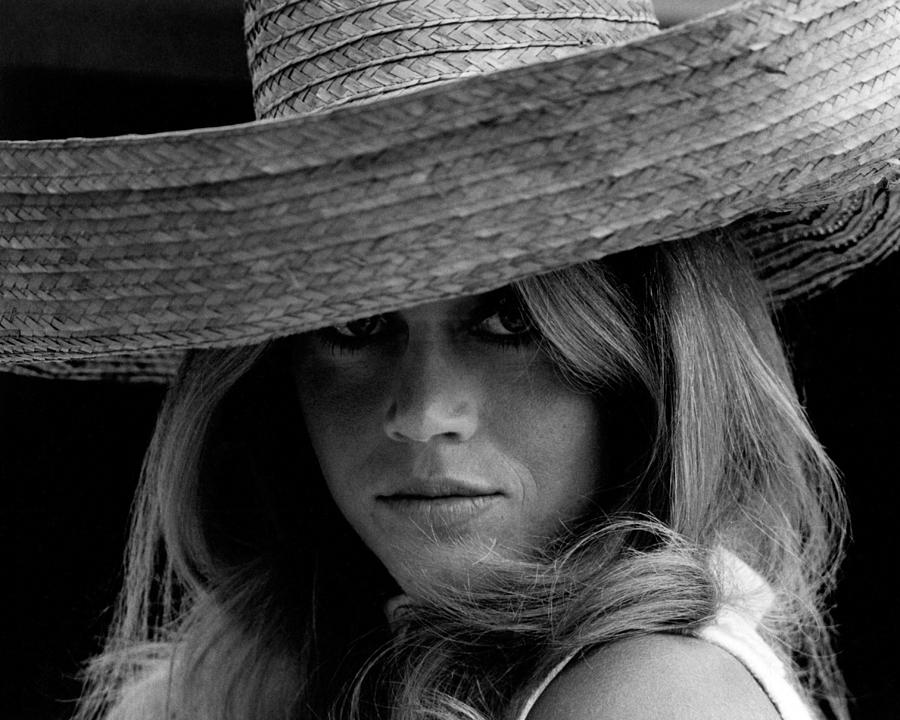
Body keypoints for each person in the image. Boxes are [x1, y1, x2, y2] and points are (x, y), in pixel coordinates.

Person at [1, 1, 898, 719]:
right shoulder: (251, 681)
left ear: (649, 350)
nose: (424, 410)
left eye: (509, 321)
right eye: (354, 328)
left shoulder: (653, 694)